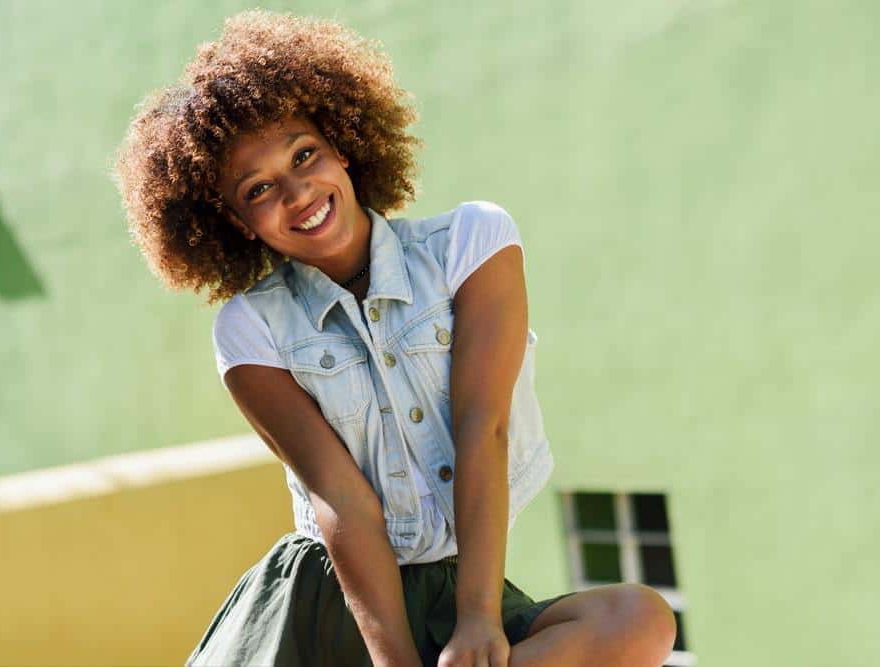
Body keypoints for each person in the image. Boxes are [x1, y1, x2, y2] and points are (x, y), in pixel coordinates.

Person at [113, 10, 676, 667]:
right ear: (235, 223)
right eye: (260, 188)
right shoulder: (250, 330)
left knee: (640, 620)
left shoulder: (471, 243)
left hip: (460, 587)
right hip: (332, 598)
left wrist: (476, 617)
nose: (298, 193)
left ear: (342, 146)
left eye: (305, 155)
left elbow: (482, 425)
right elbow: (340, 499)